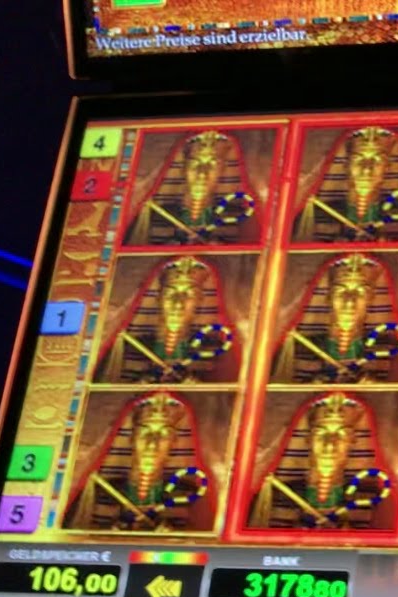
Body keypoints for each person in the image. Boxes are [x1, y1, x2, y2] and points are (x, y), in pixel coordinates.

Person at [64, 391, 211, 531]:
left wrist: (172, 537)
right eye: (144, 432)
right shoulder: (101, 490)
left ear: (174, 442)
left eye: (163, 434)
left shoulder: (185, 494)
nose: (152, 444)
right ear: (131, 437)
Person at [248, 392, 391, 530]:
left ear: (353, 440)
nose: (329, 446)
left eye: (341, 435)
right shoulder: (280, 492)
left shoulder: (366, 497)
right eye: (320, 434)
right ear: (307, 438)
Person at [95, 255, 238, 384]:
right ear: (158, 297)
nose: (178, 304)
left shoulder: (211, 348)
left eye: (189, 295)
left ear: (200, 300)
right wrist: (144, 382)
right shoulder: (133, 346)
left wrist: (193, 384)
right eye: (170, 294)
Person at [270, 253, 398, 384]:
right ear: (328, 296)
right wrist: (315, 384)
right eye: (340, 292)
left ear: (371, 299)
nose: (349, 303)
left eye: (360, 293)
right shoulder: (302, 345)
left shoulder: (385, 347)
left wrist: (373, 386)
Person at [124, 130, 261, 245]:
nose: (202, 174)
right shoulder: (155, 213)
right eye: (195, 163)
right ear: (183, 167)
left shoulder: (237, 216)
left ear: (223, 169)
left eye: (212, 164)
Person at [291, 126, 398, 242]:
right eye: (358, 159)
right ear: (345, 165)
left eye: (377, 160)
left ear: (388, 167)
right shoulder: (322, 210)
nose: (367, 169)